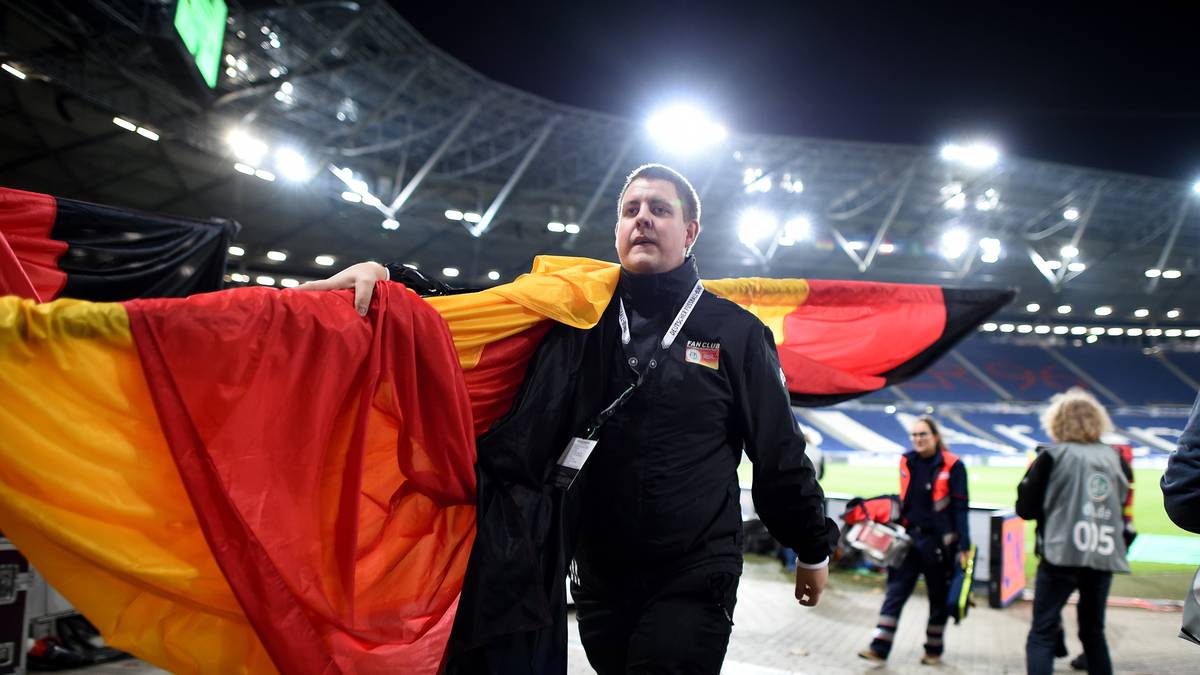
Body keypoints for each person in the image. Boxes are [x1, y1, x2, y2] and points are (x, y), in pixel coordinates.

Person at [303, 163, 838, 674]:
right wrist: (393, 278)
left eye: (659, 209)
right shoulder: (576, 311)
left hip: (694, 570)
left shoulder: (736, 332)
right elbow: (481, 309)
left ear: (690, 231)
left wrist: (812, 545)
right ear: (617, 230)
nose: (642, 218)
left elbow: (778, 452)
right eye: (630, 210)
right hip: (597, 572)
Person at [1017, 388, 1131, 675]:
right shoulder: (1116, 459)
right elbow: (1119, 504)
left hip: (1060, 553)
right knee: (1094, 632)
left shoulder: (1051, 456)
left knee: (1042, 633)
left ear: (1057, 422)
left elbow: (1025, 509)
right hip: (1101, 554)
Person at [858, 416, 971, 666]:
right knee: (895, 593)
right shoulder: (907, 461)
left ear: (936, 437)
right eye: (915, 435)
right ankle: (879, 647)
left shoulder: (953, 465)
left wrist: (963, 545)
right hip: (908, 540)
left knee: (938, 598)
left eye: (923, 435)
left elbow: (961, 508)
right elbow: (905, 499)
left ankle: (933, 651)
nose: (918, 439)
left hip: (939, 544)